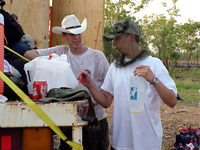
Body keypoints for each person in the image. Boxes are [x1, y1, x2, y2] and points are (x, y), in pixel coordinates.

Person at [77, 18, 177, 150]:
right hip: (120, 143)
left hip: (147, 143)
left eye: (117, 38)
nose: (114, 43)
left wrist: (153, 79)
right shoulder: (115, 67)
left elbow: (172, 101)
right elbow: (106, 101)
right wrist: (90, 85)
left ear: (132, 36)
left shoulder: (154, 64)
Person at [24, 14, 109, 150]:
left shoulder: (97, 57)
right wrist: (51, 61)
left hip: (96, 121)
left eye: (78, 33)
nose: (76, 37)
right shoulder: (60, 51)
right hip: (68, 120)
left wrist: (91, 104)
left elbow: (108, 92)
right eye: (71, 34)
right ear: (64, 36)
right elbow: (28, 54)